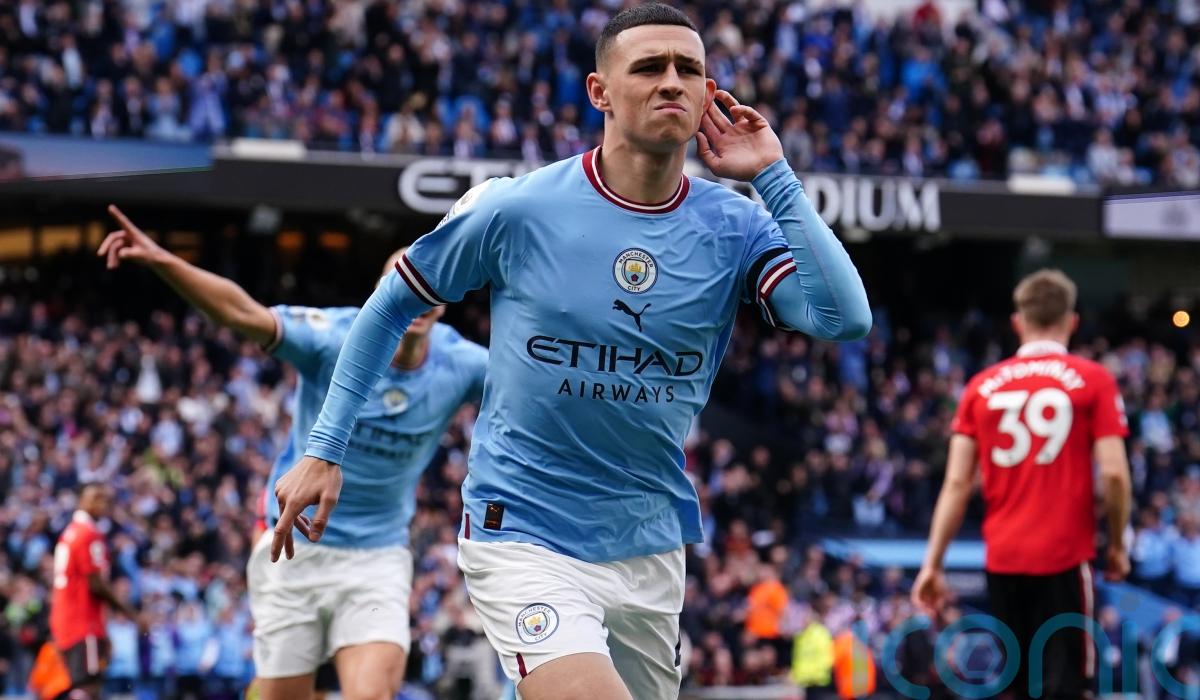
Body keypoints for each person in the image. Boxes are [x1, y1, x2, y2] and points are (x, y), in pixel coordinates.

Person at [273, 4, 871, 699]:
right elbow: (391, 305)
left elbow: (842, 317)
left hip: (649, 541)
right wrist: (325, 448)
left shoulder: (737, 227)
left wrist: (773, 174)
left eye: (688, 70)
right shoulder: (516, 208)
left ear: (709, 93)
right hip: (522, 529)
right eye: (648, 67)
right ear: (600, 91)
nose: (671, 81)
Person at [97, 207, 488, 700]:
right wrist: (163, 259)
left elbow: (534, 389)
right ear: (379, 294)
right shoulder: (331, 337)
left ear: (443, 302)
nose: (415, 295)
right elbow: (243, 313)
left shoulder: (464, 364)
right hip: (294, 547)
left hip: (377, 555)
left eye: (428, 286)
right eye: (402, 284)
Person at [912, 269, 1133, 700]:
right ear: (1072, 321)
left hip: (1004, 559)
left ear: (1018, 323)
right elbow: (1114, 473)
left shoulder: (980, 388)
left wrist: (932, 564)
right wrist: (1118, 543)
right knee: (1066, 687)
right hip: (1064, 555)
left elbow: (957, 483)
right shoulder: (1094, 380)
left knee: (1016, 687)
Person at [47, 483, 135, 700]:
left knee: (81, 684)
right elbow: (95, 583)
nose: (102, 503)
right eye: (96, 497)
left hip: (68, 619)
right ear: (82, 501)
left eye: (105, 498)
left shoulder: (70, 532)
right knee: (89, 686)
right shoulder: (89, 534)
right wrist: (130, 613)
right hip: (82, 621)